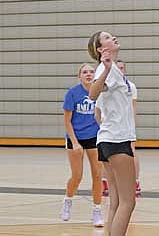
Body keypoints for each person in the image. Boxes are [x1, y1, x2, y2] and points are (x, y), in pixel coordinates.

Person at [88, 31, 137, 236]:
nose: (113, 37)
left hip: (109, 139)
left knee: (116, 202)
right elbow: (92, 93)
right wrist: (107, 69)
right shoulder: (104, 68)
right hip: (116, 140)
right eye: (107, 37)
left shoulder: (114, 69)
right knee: (128, 202)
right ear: (100, 49)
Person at [60, 63, 104, 228]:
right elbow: (67, 121)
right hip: (76, 137)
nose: (88, 74)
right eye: (85, 72)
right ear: (79, 76)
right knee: (77, 176)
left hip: (94, 136)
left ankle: (97, 211)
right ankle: (67, 200)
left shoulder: (100, 92)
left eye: (91, 71)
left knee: (98, 175)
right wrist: (75, 142)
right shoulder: (72, 93)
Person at [99, 60, 142, 197]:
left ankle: (134, 181)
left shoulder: (130, 86)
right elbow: (97, 108)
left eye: (122, 68)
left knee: (132, 153)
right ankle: (107, 181)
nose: (120, 70)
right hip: (111, 132)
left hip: (125, 130)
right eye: (118, 68)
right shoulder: (105, 84)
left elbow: (133, 109)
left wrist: (132, 130)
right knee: (125, 202)